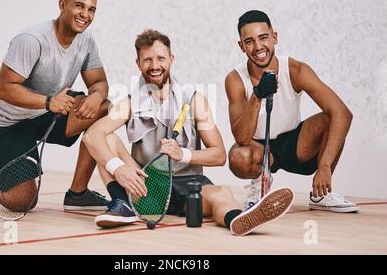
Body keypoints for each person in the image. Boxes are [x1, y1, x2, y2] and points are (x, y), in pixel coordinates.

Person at [83, 29, 294, 236]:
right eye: (147, 60)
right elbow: (91, 136)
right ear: (138, 63)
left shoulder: (194, 101)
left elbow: (219, 155)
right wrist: (119, 168)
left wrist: (182, 154)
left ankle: (238, 220)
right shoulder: (129, 103)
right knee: (106, 138)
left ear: (171, 59)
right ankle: (122, 204)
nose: (155, 66)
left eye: (160, 58)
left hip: (189, 185)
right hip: (145, 185)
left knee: (221, 194)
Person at [0, 0, 111, 212]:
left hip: (46, 113)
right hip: (4, 124)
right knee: (22, 202)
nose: (85, 14)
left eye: (91, 9)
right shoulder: (32, 40)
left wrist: (96, 96)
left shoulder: (86, 41)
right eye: (78, 6)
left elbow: (99, 82)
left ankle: (77, 194)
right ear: (62, 4)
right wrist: (48, 102)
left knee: (104, 108)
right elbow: (5, 89)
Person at [225, 10, 358, 213]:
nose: (258, 46)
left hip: (297, 145)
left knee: (332, 120)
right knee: (238, 157)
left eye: (263, 38)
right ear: (241, 46)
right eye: (249, 41)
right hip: (260, 150)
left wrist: (324, 166)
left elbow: (342, 113)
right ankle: (261, 182)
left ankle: (321, 194)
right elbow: (242, 137)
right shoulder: (235, 80)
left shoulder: (296, 70)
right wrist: (257, 95)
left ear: (274, 37)